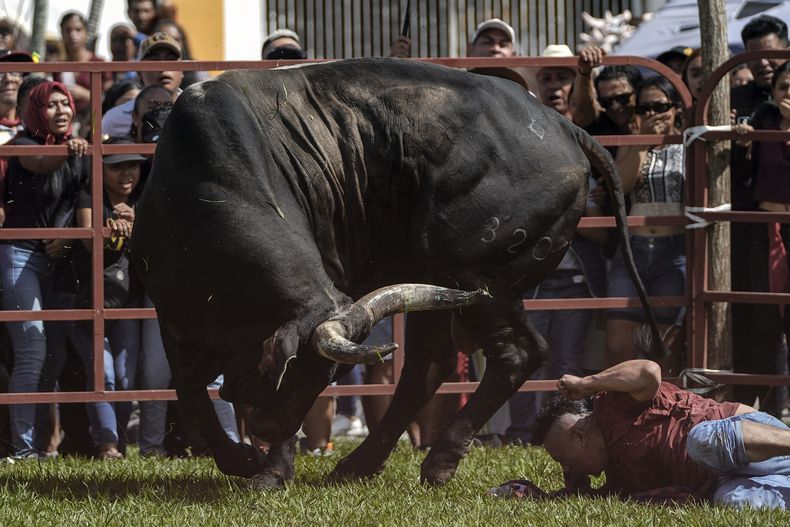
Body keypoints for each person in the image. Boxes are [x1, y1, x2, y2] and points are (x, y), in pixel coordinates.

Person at [529, 358, 790, 509]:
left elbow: (648, 372)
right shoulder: (617, 479)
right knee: (732, 501)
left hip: (759, 440)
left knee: (700, 442)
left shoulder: (611, 406)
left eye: (562, 458)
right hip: (719, 481)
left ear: (580, 437)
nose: (566, 468)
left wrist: (587, 383)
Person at [0, 81, 89, 460]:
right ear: (36, 111)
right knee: (32, 348)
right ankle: (22, 451)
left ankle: (40, 446)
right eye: (50, 105)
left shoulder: (80, 152)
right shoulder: (21, 143)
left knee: (55, 354)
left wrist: (68, 237)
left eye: (64, 103)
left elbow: (85, 212)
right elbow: (40, 161)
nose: (60, 111)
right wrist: (68, 150)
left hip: (58, 261)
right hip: (19, 253)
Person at [67, 137, 145, 460]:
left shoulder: (144, 200)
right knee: (105, 374)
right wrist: (111, 228)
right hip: (88, 301)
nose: (126, 173)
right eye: (116, 167)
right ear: (101, 169)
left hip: (127, 301)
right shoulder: (89, 196)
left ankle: (119, 443)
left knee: (125, 377)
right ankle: (107, 445)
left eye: (132, 165)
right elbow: (88, 242)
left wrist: (137, 224)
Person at [730, 14, 790, 416]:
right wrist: (744, 146)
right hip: (766, 232)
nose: (788, 92)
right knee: (763, 327)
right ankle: (764, 421)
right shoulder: (762, 118)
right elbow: (743, 180)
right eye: (785, 87)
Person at [606, 76, 686, 365]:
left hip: (674, 249)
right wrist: (643, 143)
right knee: (618, 342)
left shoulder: (690, 142)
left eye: (659, 106)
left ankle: (652, 408)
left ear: (676, 107)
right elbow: (620, 186)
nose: (651, 114)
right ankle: (625, 407)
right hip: (633, 248)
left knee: (662, 344)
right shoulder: (632, 142)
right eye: (644, 108)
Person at [101, 32, 183, 141]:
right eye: (155, 61)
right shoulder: (115, 118)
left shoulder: (195, 109)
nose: (164, 68)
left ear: (182, 70)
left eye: (171, 60)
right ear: (139, 71)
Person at [54, 12, 113, 135]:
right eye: (68, 30)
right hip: (65, 125)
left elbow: (110, 98)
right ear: (62, 33)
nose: (73, 35)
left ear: (86, 32)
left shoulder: (99, 62)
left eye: (78, 30)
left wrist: (86, 94)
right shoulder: (59, 66)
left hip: (95, 124)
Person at [153, 19, 209, 88]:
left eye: (175, 40)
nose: (172, 43)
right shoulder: (147, 70)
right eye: (166, 39)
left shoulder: (197, 70)